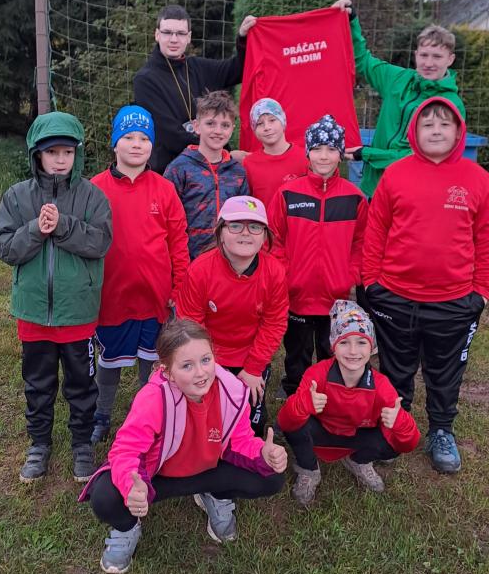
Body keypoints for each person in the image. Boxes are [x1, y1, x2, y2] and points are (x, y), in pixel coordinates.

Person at [81, 318, 288, 574]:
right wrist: (132, 487)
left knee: (272, 474)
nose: (201, 372)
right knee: (105, 497)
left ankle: (216, 495)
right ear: (167, 372)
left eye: (206, 360)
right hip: (158, 478)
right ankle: (127, 528)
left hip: (209, 471)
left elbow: (240, 440)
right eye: (187, 365)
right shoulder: (154, 397)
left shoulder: (231, 391)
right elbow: (126, 450)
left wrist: (263, 453)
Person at [362, 98, 489, 474]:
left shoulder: (477, 179)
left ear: (458, 132)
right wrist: (371, 282)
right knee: (396, 368)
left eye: (444, 124)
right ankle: (396, 425)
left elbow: (487, 237)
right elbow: (376, 230)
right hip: (395, 296)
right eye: (427, 124)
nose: (436, 131)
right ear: (414, 132)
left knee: (445, 371)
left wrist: (481, 290)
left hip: (454, 300)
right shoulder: (396, 175)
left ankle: (441, 429)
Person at [0, 112, 113, 484]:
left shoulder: (92, 196)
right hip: (33, 313)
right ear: (37, 155)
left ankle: (82, 444)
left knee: (81, 384)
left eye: (67, 152)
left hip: (77, 312)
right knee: (38, 383)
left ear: (78, 154)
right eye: (51, 152)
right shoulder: (17, 197)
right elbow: (4, 247)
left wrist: (63, 226)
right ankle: (39, 443)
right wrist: (36, 229)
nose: (60, 160)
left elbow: (100, 242)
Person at [90, 105, 190, 442]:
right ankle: (101, 414)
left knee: (154, 361)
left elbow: (178, 242)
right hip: (112, 297)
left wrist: (178, 287)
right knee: (110, 361)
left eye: (144, 138)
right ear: (114, 143)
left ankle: (149, 415)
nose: (136, 144)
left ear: (152, 145)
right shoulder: (96, 188)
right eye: (129, 137)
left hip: (155, 298)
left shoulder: (164, 189)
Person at [277, 301, 420, 504]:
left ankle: (359, 461)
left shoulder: (381, 385)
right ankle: (308, 469)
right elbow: (284, 421)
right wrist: (303, 404)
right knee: (295, 419)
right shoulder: (316, 374)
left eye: (361, 342)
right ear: (333, 346)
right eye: (344, 342)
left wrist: (401, 423)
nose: (353, 351)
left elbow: (409, 444)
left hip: (357, 435)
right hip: (322, 431)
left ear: (372, 347)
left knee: (393, 440)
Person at [268, 113, 369, 398]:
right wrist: (284, 274)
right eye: (317, 149)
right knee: (297, 351)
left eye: (331, 149)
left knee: (330, 349)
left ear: (341, 154)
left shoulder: (354, 198)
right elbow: (274, 239)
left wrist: (350, 276)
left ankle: (331, 394)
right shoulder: (287, 194)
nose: (324, 156)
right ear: (307, 153)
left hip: (336, 296)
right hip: (296, 293)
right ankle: (294, 393)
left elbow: (362, 242)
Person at [175, 195, 288, 437]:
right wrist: (210, 368)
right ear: (220, 232)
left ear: (265, 236)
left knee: (251, 423)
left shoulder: (274, 272)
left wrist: (254, 369)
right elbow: (191, 325)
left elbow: (274, 323)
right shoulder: (200, 270)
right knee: (206, 419)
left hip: (251, 355)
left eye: (255, 226)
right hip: (208, 355)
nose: (245, 233)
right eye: (235, 225)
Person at [337, 0, 465, 198]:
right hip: (373, 188)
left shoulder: (451, 104)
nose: (428, 63)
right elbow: (363, 61)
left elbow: (420, 156)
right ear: (416, 55)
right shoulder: (398, 79)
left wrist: (368, 154)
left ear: (450, 59)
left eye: (437, 57)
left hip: (411, 193)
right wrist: (351, 20)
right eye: (424, 55)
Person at [133, 4, 257, 173]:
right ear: (157, 35)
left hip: (214, 165)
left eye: (180, 33)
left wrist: (243, 39)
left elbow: (237, 70)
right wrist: (221, 154)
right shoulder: (145, 80)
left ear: (189, 37)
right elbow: (170, 135)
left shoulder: (197, 66)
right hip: (173, 172)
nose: (174, 39)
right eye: (167, 32)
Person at [163, 90, 249, 260]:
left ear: (232, 129)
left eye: (225, 125)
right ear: (196, 126)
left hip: (229, 260)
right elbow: (166, 218)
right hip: (189, 259)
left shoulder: (238, 172)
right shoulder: (179, 168)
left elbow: (244, 216)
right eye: (210, 123)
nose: (218, 131)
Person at [238, 97, 308, 207]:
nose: (267, 127)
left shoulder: (305, 158)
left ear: (283, 121)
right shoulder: (249, 164)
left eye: (272, 120)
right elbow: (248, 203)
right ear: (254, 130)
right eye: (260, 123)